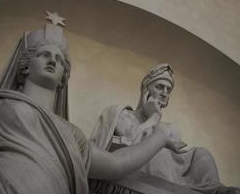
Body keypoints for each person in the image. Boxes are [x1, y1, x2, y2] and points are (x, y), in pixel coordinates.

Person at [0, 12, 187, 194]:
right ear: (26, 66)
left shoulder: (71, 134)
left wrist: (159, 135)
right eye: (43, 54)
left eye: (59, 59)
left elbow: (116, 164)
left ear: (64, 77)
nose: (53, 60)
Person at [91, 64, 240, 194]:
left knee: (201, 153)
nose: (164, 93)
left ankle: (214, 189)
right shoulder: (122, 114)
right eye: (159, 86)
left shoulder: (171, 129)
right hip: (129, 172)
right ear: (145, 89)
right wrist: (154, 117)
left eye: (168, 90)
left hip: (168, 178)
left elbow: (173, 162)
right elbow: (130, 145)